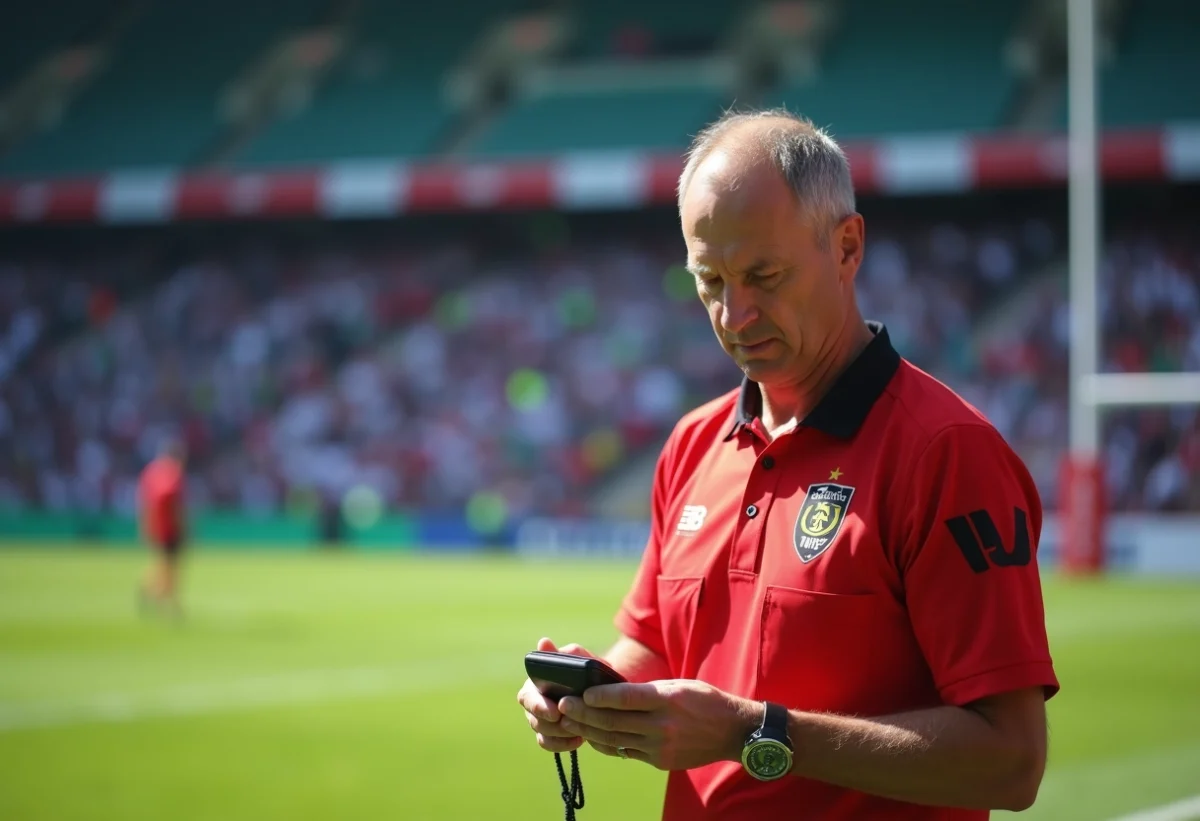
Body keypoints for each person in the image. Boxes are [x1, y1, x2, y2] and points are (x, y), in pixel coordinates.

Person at [517, 109, 1059, 820]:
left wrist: (754, 731)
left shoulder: (945, 453)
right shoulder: (692, 443)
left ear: (847, 246)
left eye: (763, 275)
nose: (734, 314)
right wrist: (594, 696)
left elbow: (1011, 763)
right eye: (709, 280)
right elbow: (655, 647)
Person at [137, 438, 188, 618]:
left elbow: (145, 503)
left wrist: (145, 526)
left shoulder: (150, 472)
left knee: (164, 565)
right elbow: (174, 504)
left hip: (155, 526)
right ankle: (165, 602)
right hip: (169, 528)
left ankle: (152, 592)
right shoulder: (174, 474)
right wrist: (183, 526)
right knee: (170, 568)